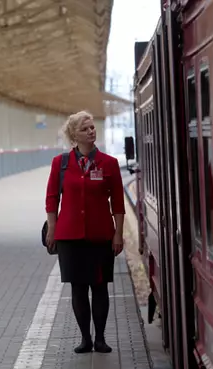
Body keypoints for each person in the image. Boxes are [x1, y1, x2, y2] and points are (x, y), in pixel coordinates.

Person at [44, 110, 125, 354]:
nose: (91, 131)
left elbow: (118, 203)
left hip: (100, 236)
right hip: (69, 237)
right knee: (78, 288)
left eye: (92, 127)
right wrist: (52, 228)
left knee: (99, 287)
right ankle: (85, 339)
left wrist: (118, 234)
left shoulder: (109, 164)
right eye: (85, 129)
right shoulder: (61, 164)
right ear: (74, 136)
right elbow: (51, 198)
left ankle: (100, 338)